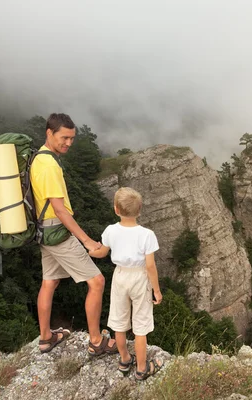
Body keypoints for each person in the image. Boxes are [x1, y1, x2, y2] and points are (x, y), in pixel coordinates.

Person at [30, 112, 117, 356]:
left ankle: (46, 337)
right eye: (64, 138)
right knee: (97, 281)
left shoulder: (40, 158)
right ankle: (96, 341)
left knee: (50, 282)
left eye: (72, 139)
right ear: (50, 133)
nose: (68, 143)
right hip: (57, 233)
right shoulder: (48, 166)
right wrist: (88, 241)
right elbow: (60, 210)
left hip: (43, 231)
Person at [89, 187, 164, 380]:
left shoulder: (110, 230)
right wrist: (156, 290)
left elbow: (102, 252)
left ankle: (124, 359)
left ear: (116, 209)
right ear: (139, 210)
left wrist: (90, 250)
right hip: (140, 278)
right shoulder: (147, 234)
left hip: (120, 276)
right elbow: (150, 266)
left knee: (119, 324)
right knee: (140, 327)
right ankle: (141, 368)